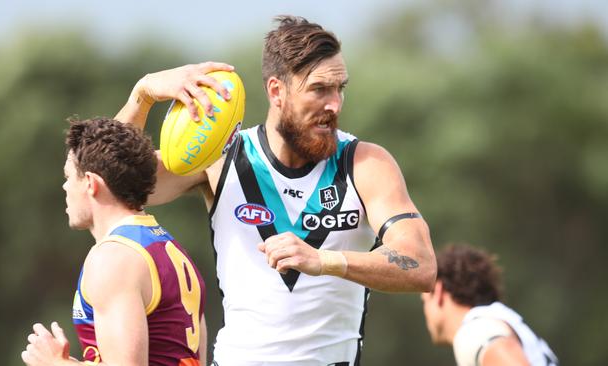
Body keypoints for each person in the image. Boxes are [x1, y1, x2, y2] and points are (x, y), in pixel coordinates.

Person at [115, 15, 437, 366]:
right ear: (276, 91)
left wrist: (324, 261)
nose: (335, 105)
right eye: (319, 89)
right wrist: (142, 95)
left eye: (340, 88)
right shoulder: (222, 158)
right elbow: (110, 186)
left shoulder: (364, 164)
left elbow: (420, 265)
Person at [21, 117, 207, 366]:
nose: (65, 187)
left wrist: (55, 363)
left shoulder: (113, 258)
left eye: (68, 177)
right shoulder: (169, 246)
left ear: (90, 183)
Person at [421, 244, 559, 366]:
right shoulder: (494, 320)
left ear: (438, 291)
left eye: (424, 301)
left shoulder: (474, 332)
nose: (425, 311)